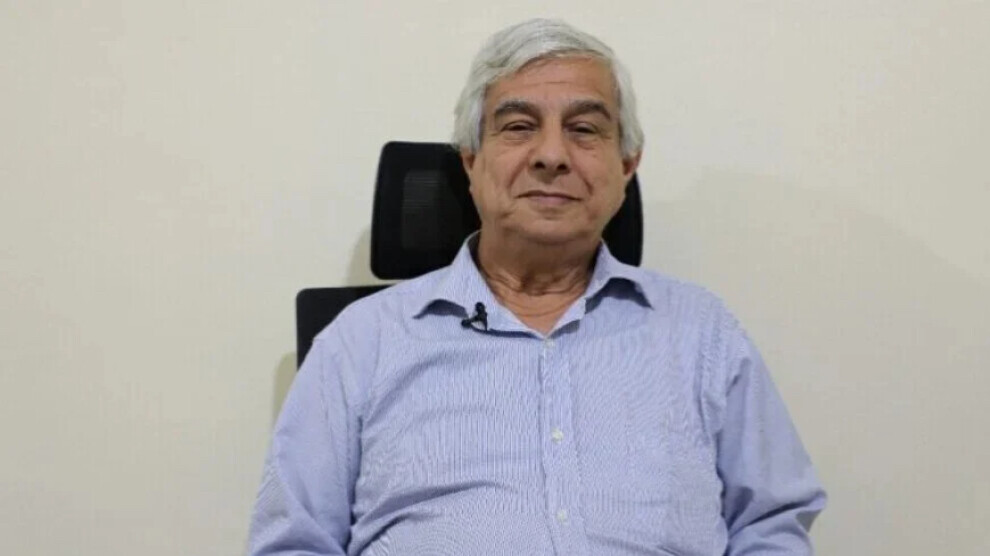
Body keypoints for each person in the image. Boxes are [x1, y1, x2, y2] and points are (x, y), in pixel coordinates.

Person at [247, 18, 826, 556]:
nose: (551, 155)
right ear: (471, 160)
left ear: (627, 166)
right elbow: (294, 542)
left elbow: (770, 524)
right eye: (519, 127)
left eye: (584, 129)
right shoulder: (361, 343)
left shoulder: (703, 334)